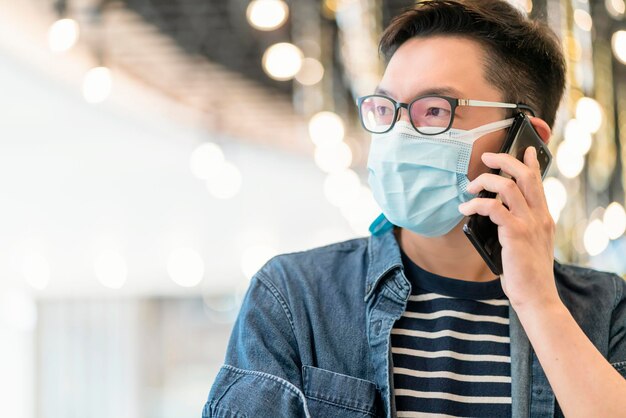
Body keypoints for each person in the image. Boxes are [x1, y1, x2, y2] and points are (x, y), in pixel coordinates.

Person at [203, 1, 626, 417]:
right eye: (387, 109)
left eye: (436, 110)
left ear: (524, 142)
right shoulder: (296, 298)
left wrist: (538, 302)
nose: (399, 134)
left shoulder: (606, 310)